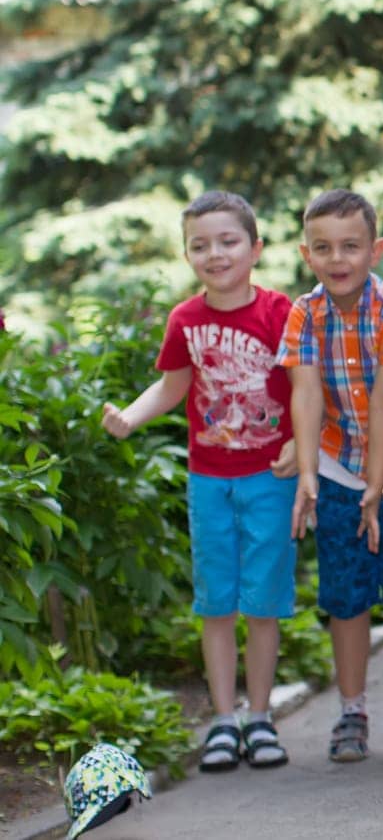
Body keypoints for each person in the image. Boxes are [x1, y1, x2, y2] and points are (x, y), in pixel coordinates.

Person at [101, 191, 296, 772]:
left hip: (270, 477)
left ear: (255, 248)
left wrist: (300, 444)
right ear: (187, 255)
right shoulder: (185, 319)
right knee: (216, 603)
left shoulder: (279, 311)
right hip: (209, 480)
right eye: (200, 244)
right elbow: (172, 386)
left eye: (228, 240)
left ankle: (259, 718)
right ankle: (222, 719)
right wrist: (130, 417)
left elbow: (309, 387)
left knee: (262, 604)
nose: (215, 253)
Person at [277, 189, 383, 764]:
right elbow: (303, 395)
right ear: (307, 254)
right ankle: (351, 713)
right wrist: (306, 476)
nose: (338, 258)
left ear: (374, 249)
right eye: (323, 248)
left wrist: (379, 491)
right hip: (336, 468)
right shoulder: (305, 312)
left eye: (350, 246)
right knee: (345, 598)